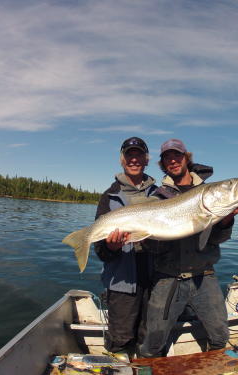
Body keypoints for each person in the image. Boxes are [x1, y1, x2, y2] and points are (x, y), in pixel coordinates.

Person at [139, 138, 238, 357]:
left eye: (177, 155)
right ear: (163, 164)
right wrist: (144, 238)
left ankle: (213, 369)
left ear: (186, 158)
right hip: (168, 278)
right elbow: (152, 248)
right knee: (152, 343)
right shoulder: (158, 197)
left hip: (204, 276)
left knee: (221, 336)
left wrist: (225, 221)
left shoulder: (206, 193)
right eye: (167, 157)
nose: (173, 160)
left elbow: (216, 240)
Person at [94, 136, 157, 355]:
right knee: (120, 341)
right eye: (129, 155)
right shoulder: (108, 197)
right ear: (122, 160)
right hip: (121, 282)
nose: (134, 159)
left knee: (149, 340)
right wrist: (111, 247)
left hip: (154, 282)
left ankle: (143, 369)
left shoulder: (161, 195)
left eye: (139, 154)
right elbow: (101, 251)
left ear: (146, 159)